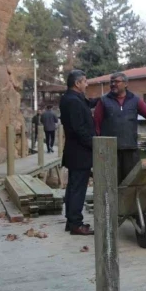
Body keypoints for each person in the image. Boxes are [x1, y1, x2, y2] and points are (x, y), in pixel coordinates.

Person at [93, 72, 146, 184]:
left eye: (117, 82)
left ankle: (129, 202)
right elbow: (96, 124)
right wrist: (97, 146)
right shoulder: (104, 101)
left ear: (125, 84)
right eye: (111, 82)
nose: (113, 84)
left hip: (130, 149)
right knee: (110, 183)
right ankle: (114, 202)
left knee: (131, 182)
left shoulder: (134, 100)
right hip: (109, 151)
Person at [59, 70, 94, 235]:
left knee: (74, 187)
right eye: (85, 81)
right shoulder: (72, 101)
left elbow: (88, 103)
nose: (87, 84)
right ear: (77, 83)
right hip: (79, 152)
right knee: (77, 188)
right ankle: (75, 224)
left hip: (76, 151)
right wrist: (94, 144)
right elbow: (79, 128)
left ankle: (71, 221)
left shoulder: (72, 98)